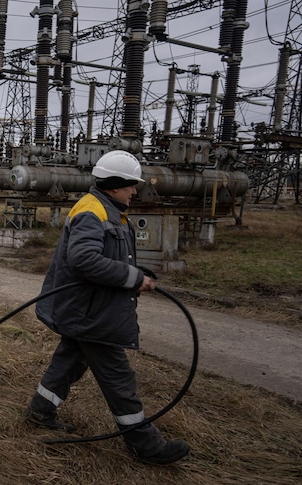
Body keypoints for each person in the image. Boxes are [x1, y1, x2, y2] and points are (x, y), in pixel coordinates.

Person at [25, 150, 190, 465]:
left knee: (69, 363)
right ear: (115, 185)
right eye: (131, 185)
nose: (135, 191)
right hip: (91, 315)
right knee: (119, 379)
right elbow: (84, 259)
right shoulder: (92, 211)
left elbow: (109, 257)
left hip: (86, 310)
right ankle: (145, 445)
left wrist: (141, 275)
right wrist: (132, 278)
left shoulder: (109, 209)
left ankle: (40, 411)